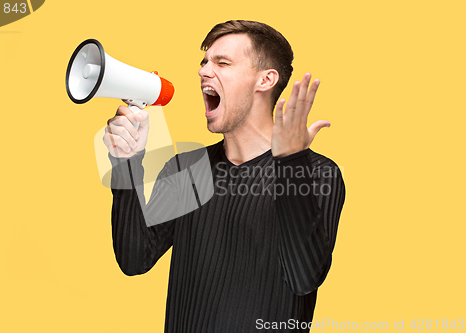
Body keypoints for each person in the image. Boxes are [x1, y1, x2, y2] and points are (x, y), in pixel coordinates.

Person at [103, 20, 346, 332]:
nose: (204, 70)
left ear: (265, 80)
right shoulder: (186, 169)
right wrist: (126, 163)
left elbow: (305, 279)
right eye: (205, 61)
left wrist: (289, 164)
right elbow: (134, 260)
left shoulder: (317, 174)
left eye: (222, 62)